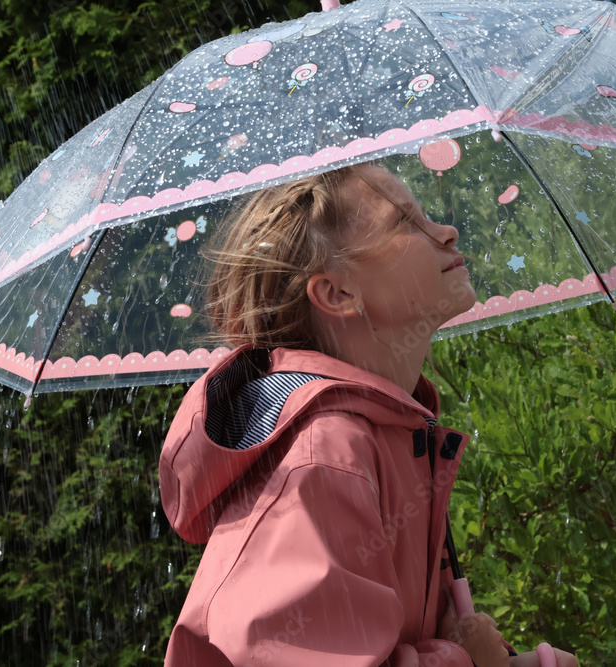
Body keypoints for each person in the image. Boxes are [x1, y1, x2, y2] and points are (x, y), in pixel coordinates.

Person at [158, 163, 578, 666]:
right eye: (405, 222)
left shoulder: (395, 436)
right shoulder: (323, 456)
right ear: (338, 294)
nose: (447, 232)